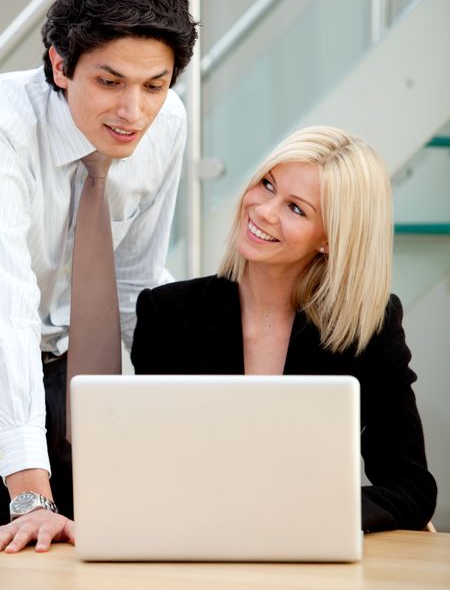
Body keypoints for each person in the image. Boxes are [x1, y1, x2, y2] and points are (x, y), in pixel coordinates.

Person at [132, 125, 437, 533]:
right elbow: (148, 469)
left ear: (329, 238)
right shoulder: (167, 313)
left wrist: (300, 515)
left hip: (308, 552)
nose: (263, 210)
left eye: (296, 208)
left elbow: (410, 486)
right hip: (195, 541)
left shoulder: (369, 327)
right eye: (267, 184)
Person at [0, 0, 197, 552]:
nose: (133, 112)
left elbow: (135, 283)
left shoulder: (167, 126)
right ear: (61, 65)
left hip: (72, 373)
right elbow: (8, 308)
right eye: (110, 82)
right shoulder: (8, 127)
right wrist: (33, 493)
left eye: (154, 86)